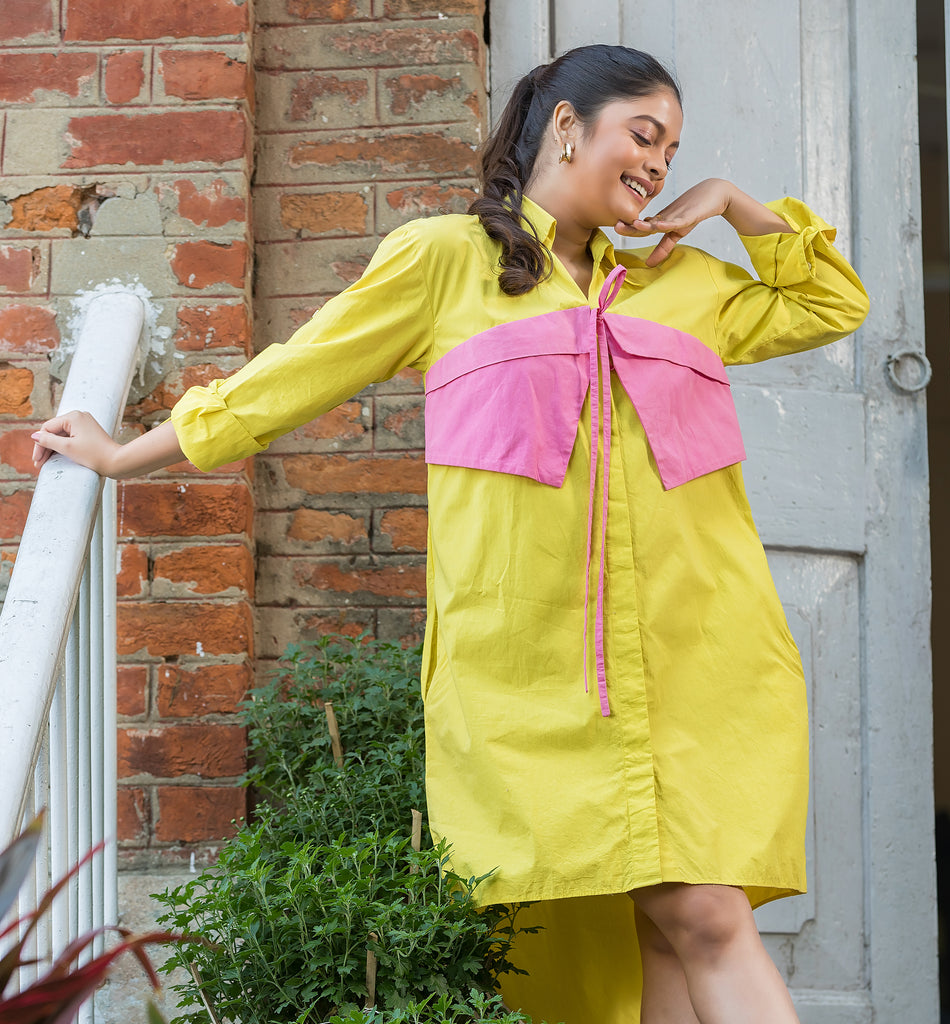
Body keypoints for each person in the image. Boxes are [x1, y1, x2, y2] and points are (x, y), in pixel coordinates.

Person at [32, 44, 868, 1024]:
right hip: (534, 673)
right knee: (652, 940)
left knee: (700, 919)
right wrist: (125, 456)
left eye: (673, 152)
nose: (658, 165)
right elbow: (295, 375)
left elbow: (830, 303)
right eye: (644, 136)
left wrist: (730, 201)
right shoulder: (444, 262)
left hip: (703, 659)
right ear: (567, 126)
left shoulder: (680, 284)